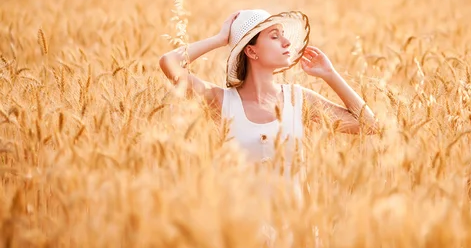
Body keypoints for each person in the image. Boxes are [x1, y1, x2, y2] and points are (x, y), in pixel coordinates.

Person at [158, 9, 378, 173]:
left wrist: (330, 74)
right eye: (274, 36)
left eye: (283, 34)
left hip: (296, 229)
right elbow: (169, 62)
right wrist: (220, 39)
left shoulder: (298, 99)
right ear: (251, 51)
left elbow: (369, 125)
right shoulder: (220, 100)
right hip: (242, 231)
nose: (286, 42)